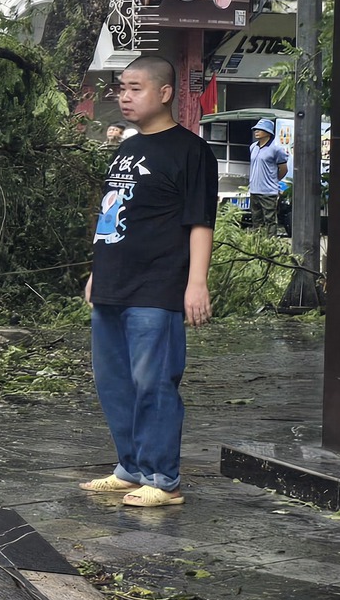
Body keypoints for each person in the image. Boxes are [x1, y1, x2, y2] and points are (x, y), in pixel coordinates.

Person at [82, 55, 215, 508]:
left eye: (135, 88)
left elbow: (200, 221)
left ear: (164, 92)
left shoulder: (190, 151)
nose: (124, 95)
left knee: (154, 380)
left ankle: (164, 479)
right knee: (113, 380)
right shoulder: (126, 148)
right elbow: (112, 214)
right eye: (121, 87)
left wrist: (197, 282)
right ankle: (131, 467)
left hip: (159, 284)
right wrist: (97, 271)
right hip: (113, 281)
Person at [246, 121, 289, 231]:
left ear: (268, 132)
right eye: (255, 129)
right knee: (256, 221)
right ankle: (257, 244)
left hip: (268, 192)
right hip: (254, 189)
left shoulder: (276, 149)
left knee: (270, 221)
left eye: (259, 129)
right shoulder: (253, 147)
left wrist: (274, 180)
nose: (256, 131)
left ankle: (270, 245)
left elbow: (284, 168)